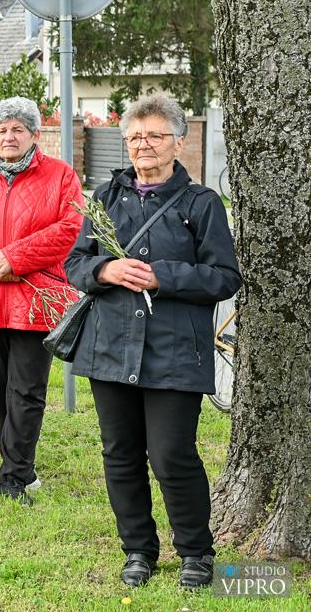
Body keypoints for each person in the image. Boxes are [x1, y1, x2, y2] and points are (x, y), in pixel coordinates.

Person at [65, 95, 240, 589]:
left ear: (178, 143)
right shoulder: (104, 197)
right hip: (109, 347)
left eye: (155, 135)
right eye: (135, 136)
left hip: (175, 351)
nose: (144, 144)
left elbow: (224, 277)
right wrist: (105, 270)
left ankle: (196, 553)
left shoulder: (201, 203)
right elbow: (76, 263)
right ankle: (138, 550)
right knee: (120, 454)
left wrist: (163, 276)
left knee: (171, 455)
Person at [0, 96, 83, 504]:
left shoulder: (60, 176)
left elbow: (70, 229)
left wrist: (14, 258)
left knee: (25, 391)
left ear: (34, 135)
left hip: (37, 300)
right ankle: (21, 468)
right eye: (2, 129)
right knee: (0, 391)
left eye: (18, 129)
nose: (9, 136)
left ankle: (14, 477)